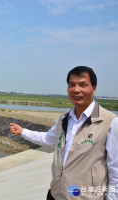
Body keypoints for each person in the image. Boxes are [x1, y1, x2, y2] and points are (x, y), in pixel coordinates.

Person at [10, 66, 118, 200]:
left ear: (94, 89)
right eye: (72, 85)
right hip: (56, 195)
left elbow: (115, 171)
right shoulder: (64, 119)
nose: (76, 90)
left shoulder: (109, 122)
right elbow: (47, 139)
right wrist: (22, 132)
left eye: (83, 85)